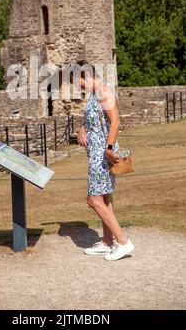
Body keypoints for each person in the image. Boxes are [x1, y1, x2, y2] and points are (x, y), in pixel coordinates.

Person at [71, 61, 134, 261]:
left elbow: (115, 120)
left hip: (102, 154)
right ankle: (108, 242)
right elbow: (94, 118)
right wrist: (83, 128)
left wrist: (108, 148)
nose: (78, 86)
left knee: (94, 200)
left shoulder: (105, 91)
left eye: (79, 82)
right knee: (104, 198)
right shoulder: (94, 94)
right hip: (95, 153)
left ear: (87, 75)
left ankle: (123, 242)